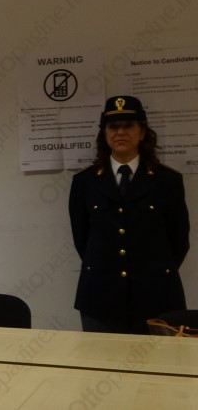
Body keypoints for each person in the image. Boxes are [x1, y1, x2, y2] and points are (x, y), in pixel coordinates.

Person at [69, 95, 190, 334]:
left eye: (128, 126)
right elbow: (82, 239)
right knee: (103, 357)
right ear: (104, 133)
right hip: (100, 297)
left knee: (159, 358)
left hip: (157, 296)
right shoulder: (84, 182)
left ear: (142, 132)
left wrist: (151, 272)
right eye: (113, 127)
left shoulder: (168, 181)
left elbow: (179, 241)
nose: (120, 132)